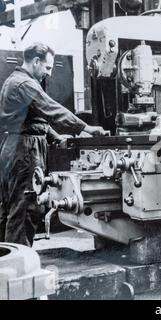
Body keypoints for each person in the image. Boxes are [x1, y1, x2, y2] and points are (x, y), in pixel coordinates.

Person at [0, 42, 107, 246]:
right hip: (25, 150)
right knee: (25, 208)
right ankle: (20, 268)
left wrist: (56, 137)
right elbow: (51, 109)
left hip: (14, 147)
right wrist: (86, 128)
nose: (49, 73)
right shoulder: (25, 84)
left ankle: (7, 263)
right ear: (36, 61)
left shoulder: (14, 81)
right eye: (47, 68)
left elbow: (35, 120)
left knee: (9, 209)